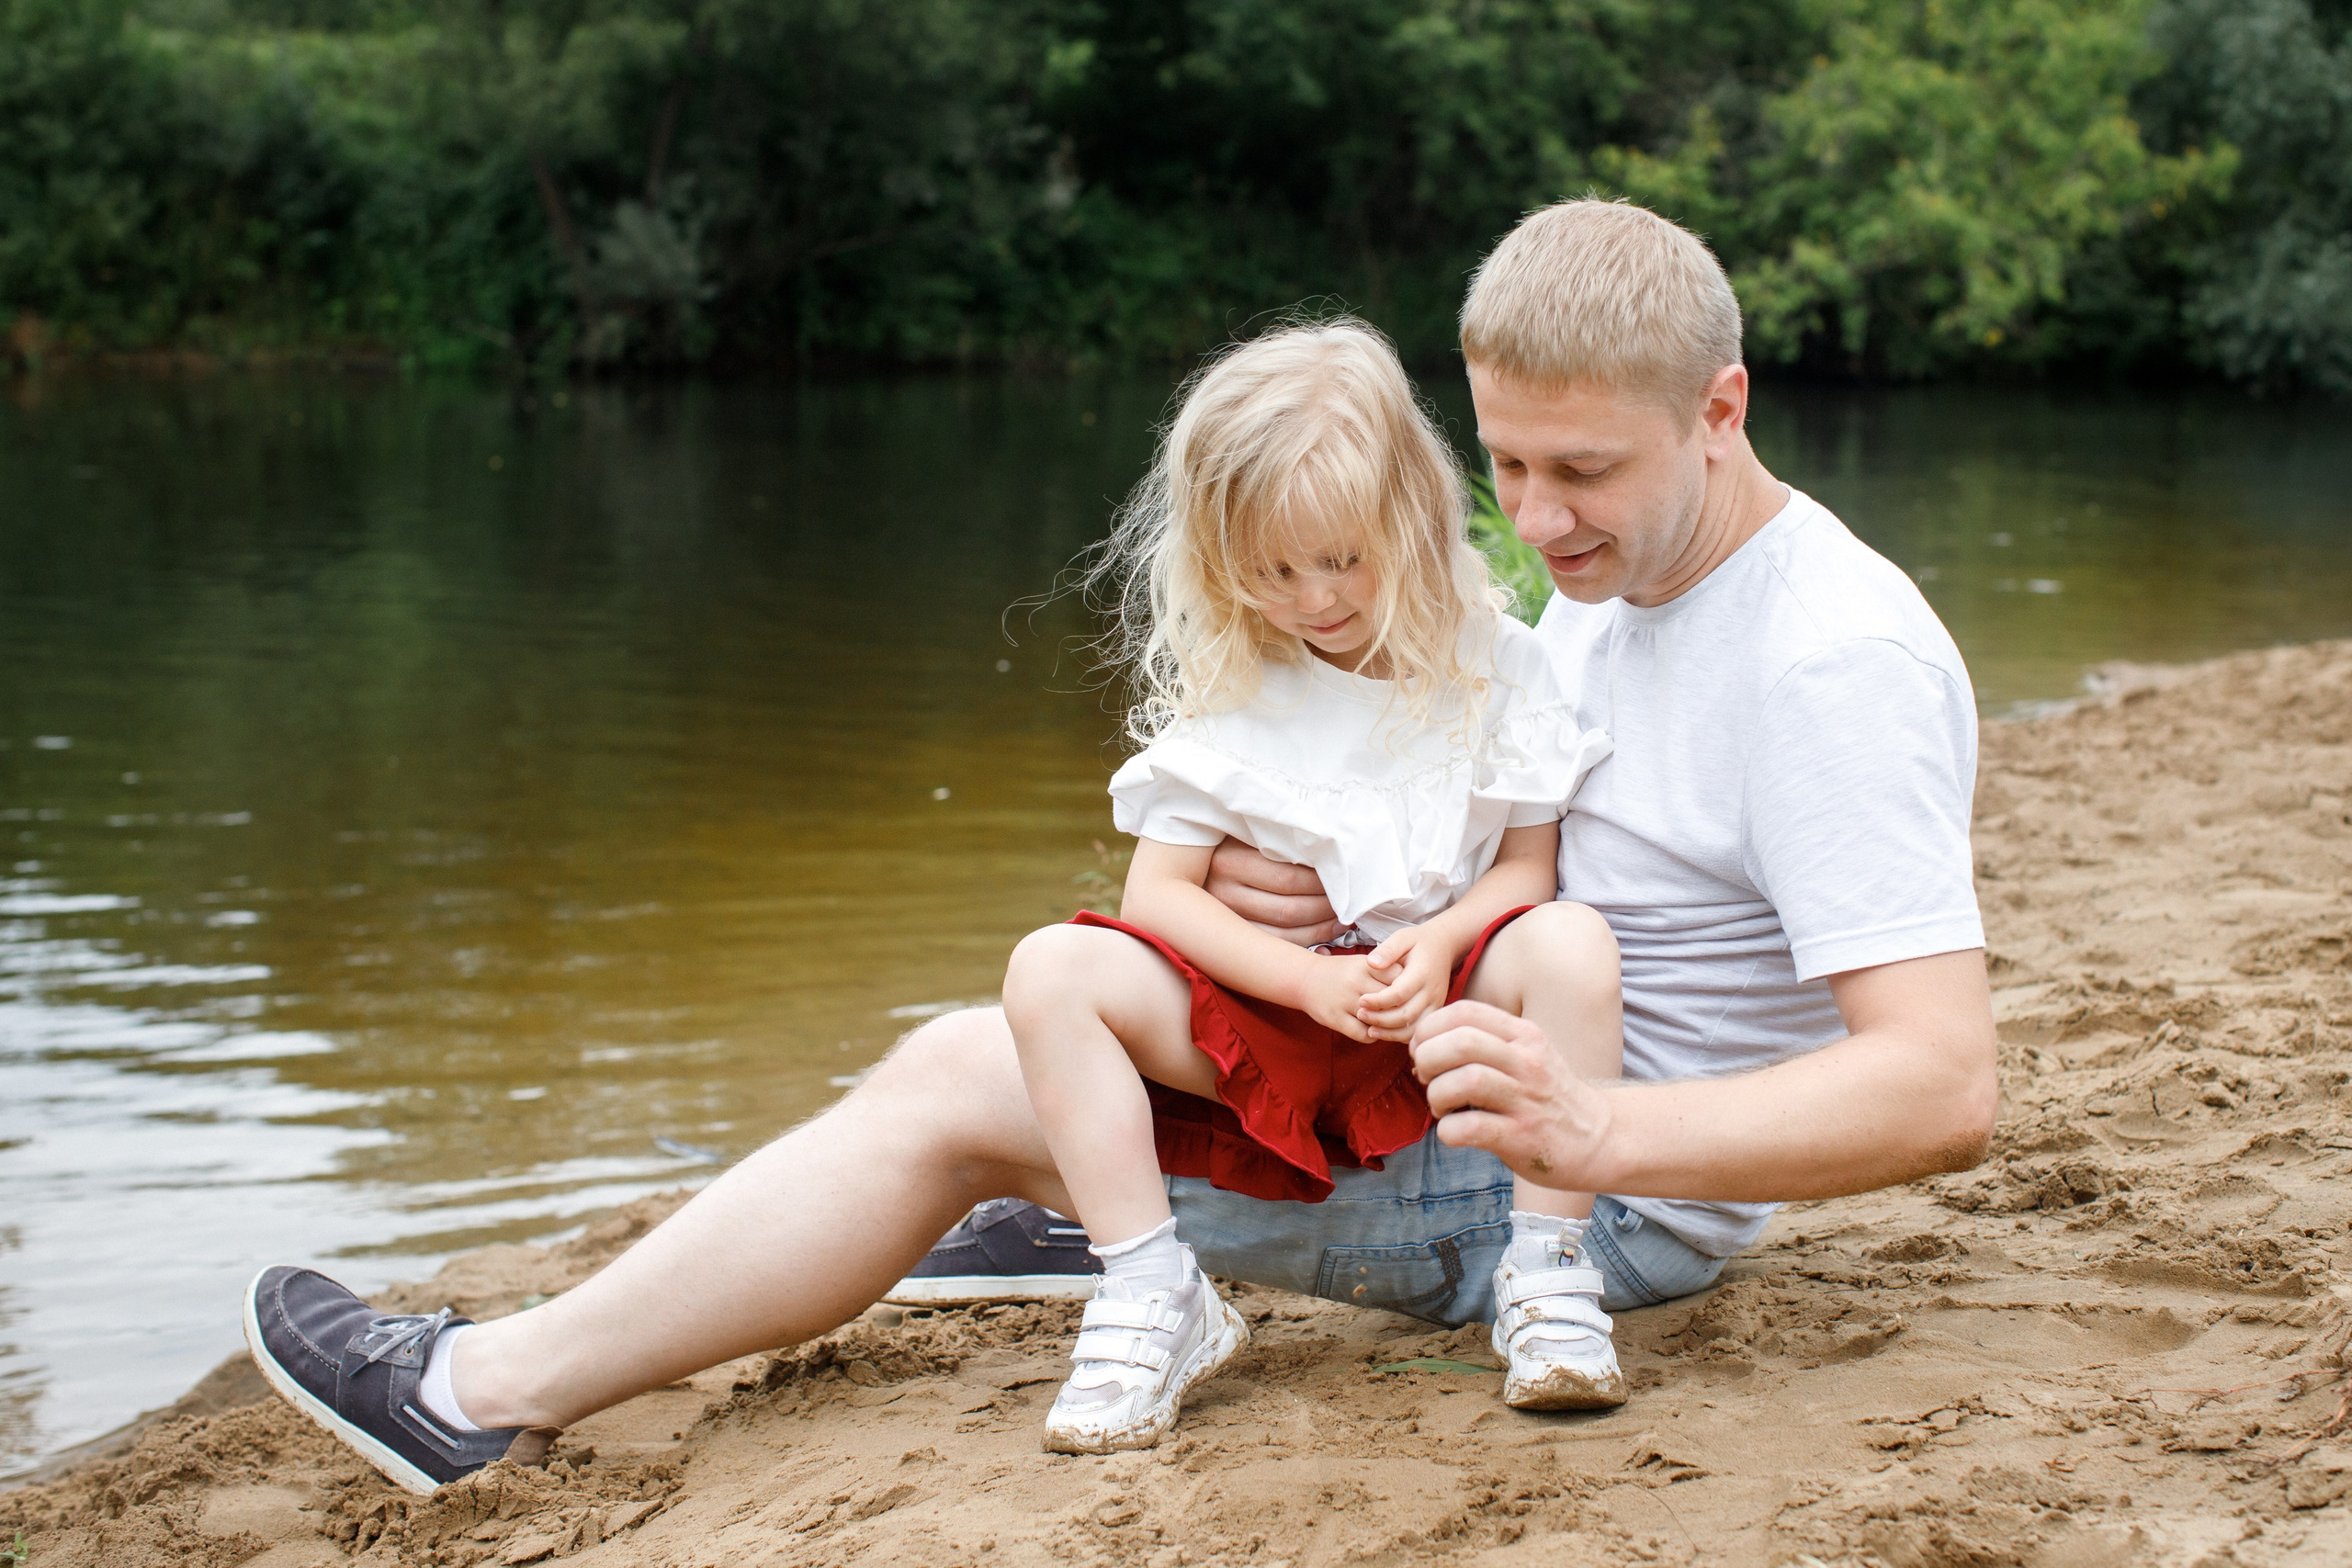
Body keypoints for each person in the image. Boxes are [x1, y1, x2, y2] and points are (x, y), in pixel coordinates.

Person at [241, 197, 1997, 1498]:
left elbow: (1940, 1086)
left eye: (1583, 474)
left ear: (1722, 405)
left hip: (1591, 1206)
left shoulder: (1827, 654)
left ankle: (473, 1388)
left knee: (947, 1081)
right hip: (1464, 1080)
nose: (1534, 521)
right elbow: (1491, 808)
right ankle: (1097, 1218)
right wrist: (1292, 882)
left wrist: (1598, 1127)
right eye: (1508, 464)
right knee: (1032, 1017)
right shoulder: (1613, 585)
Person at [1004, 321, 1620, 1453]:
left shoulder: (1497, 662)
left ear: (1411, 517)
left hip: (1439, 1013)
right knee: (1050, 967)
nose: (1312, 598)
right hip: (1279, 1023)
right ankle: (1149, 1287)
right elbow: (1160, 901)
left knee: (1572, 939)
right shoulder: (1244, 685)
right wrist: (1300, 981)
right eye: (1271, 571)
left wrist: (1438, 946)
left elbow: (1527, 869)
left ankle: (1548, 1277)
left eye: (1341, 559)